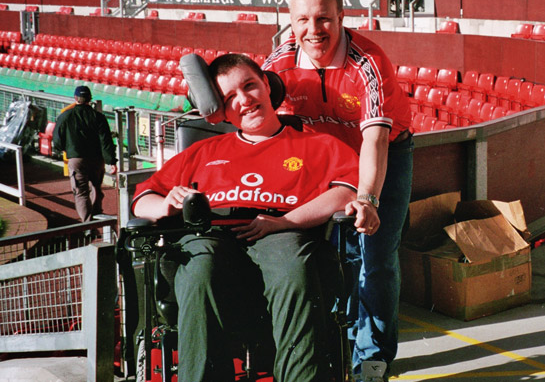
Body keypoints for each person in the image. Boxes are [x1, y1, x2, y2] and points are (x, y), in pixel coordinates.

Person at [132, 54, 361, 382]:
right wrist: (167, 204)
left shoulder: (318, 145)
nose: (244, 100)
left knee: (292, 264)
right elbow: (142, 200)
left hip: (281, 231)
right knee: (198, 267)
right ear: (221, 110)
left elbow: (347, 191)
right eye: (229, 98)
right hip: (212, 235)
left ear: (266, 85)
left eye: (249, 86)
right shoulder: (204, 152)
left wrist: (287, 222)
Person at [262, 0, 413, 381]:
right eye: (303, 20)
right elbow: (253, 116)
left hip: (382, 155)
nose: (314, 31)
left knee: (374, 257)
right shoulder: (278, 63)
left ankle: (373, 360)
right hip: (325, 158)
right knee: (328, 255)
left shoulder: (369, 63)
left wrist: (368, 199)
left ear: (342, 17)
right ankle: (333, 347)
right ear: (290, 22)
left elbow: (377, 139)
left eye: (324, 19)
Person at [52, 86, 117, 222]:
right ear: (89, 99)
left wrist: (65, 149)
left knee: (81, 192)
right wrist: (111, 161)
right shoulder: (98, 117)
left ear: (75, 98)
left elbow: (57, 139)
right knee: (96, 187)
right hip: (97, 159)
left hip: (76, 158)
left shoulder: (65, 116)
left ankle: (87, 223)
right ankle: (97, 211)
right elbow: (106, 141)